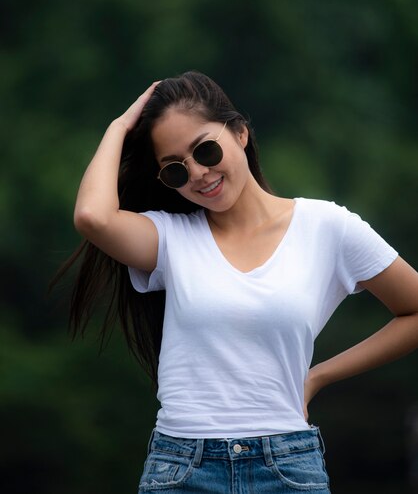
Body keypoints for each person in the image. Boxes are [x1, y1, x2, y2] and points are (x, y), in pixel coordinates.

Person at [59, 70, 418, 493]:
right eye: (174, 170)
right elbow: (92, 217)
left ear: (240, 133)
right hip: (181, 468)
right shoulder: (171, 238)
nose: (197, 173)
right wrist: (119, 126)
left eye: (205, 150)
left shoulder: (327, 227)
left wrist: (318, 376)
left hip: (287, 467)